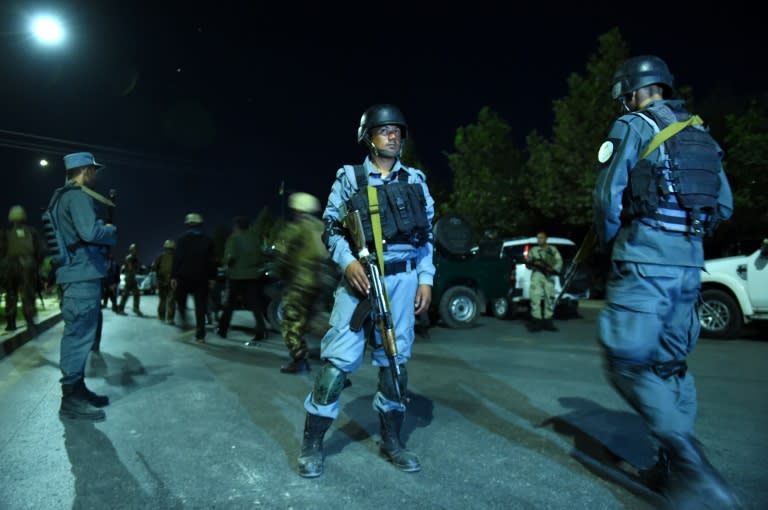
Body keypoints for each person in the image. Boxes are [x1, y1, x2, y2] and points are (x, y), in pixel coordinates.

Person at [592, 55, 739, 508]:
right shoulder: (701, 134)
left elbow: (607, 199)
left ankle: (691, 463)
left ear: (633, 92)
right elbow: (726, 206)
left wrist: (613, 242)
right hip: (690, 266)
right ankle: (671, 469)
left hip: (645, 263)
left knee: (628, 363)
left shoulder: (633, 126)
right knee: (670, 367)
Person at [296, 104, 435, 478]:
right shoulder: (351, 178)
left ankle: (392, 442)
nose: (393, 135)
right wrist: (349, 264)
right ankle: (312, 445)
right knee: (337, 364)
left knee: (395, 362)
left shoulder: (416, 180)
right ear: (368, 137)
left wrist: (426, 279)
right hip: (361, 280)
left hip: (404, 281)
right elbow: (332, 228)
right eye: (384, 129)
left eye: (398, 131)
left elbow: (427, 238)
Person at [49, 152, 117, 421]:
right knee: (78, 336)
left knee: (79, 334)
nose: (96, 175)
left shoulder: (60, 196)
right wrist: (110, 230)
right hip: (81, 275)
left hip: (75, 274)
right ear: (85, 171)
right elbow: (90, 233)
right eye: (94, 170)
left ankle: (77, 389)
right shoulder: (77, 196)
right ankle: (71, 399)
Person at [273, 192, 329, 374]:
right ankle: (333, 352)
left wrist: (281, 274)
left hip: (300, 282)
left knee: (291, 321)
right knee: (313, 318)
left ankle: (298, 359)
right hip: (319, 281)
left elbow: (282, 253)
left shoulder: (296, 227)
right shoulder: (321, 226)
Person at [216, 216, 268, 343]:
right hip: (253, 276)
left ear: (237, 226)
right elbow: (261, 257)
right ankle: (261, 331)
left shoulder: (234, 238)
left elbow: (230, 257)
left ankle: (222, 330)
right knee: (255, 304)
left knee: (230, 304)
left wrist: (225, 263)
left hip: (237, 276)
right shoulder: (255, 238)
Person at [171, 213, 216, 343]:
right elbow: (212, 261)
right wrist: (212, 278)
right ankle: (200, 335)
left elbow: (177, 259)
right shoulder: (208, 240)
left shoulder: (181, 239)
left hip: (184, 277)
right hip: (202, 278)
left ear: (187, 224)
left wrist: (174, 276)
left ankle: (185, 324)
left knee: (181, 302)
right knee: (200, 307)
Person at [1, 205, 45, 334]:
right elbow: (40, 250)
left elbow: (1, 251)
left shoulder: (6, 233)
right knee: (28, 294)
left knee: (11, 294)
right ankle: (30, 322)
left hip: (11, 265)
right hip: (28, 265)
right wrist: (37, 266)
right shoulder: (32, 232)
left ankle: (11, 322)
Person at [525, 231, 563, 332]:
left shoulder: (552, 249)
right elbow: (528, 263)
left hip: (549, 276)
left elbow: (559, 262)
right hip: (537, 275)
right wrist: (530, 264)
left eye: (541, 238)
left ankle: (548, 321)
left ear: (546, 239)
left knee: (549, 297)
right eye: (538, 238)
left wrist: (552, 269)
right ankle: (536, 321)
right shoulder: (534, 250)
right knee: (535, 297)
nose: (539, 240)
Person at [152, 239, 176, 323]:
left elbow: (154, 267)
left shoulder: (161, 256)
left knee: (163, 300)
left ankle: (161, 316)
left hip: (162, 280)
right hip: (172, 281)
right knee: (171, 300)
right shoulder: (176, 257)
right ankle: (170, 318)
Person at [116, 243, 142, 316]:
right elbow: (131, 268)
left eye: (136, 250)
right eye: (134, 249)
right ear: (131, 250)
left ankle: (135, 308)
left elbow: (137, 267)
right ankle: (120, 309)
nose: (135, 251)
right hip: (129, 277)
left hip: (132, 277)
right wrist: (136, 267)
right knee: (126, 294)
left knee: (136, 294)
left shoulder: (134, 258)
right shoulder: (129, 258)